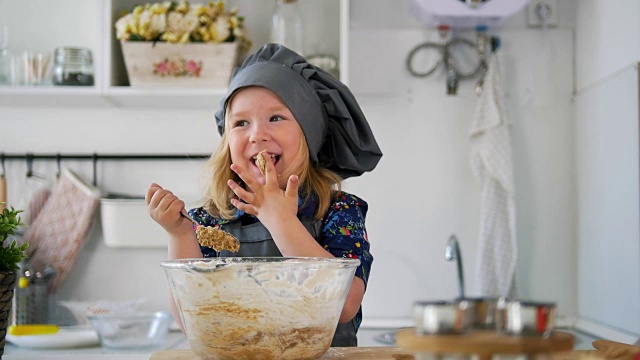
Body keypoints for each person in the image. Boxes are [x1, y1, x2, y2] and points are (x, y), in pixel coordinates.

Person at [145, 43, 382, 347]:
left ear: (309, 134)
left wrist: (281, 220)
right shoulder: (209, 221)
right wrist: (179, 234)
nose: (257, 134)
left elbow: (345, 305)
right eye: (241, 123)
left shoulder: (338, 212)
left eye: (276, 118)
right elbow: (193, 320)